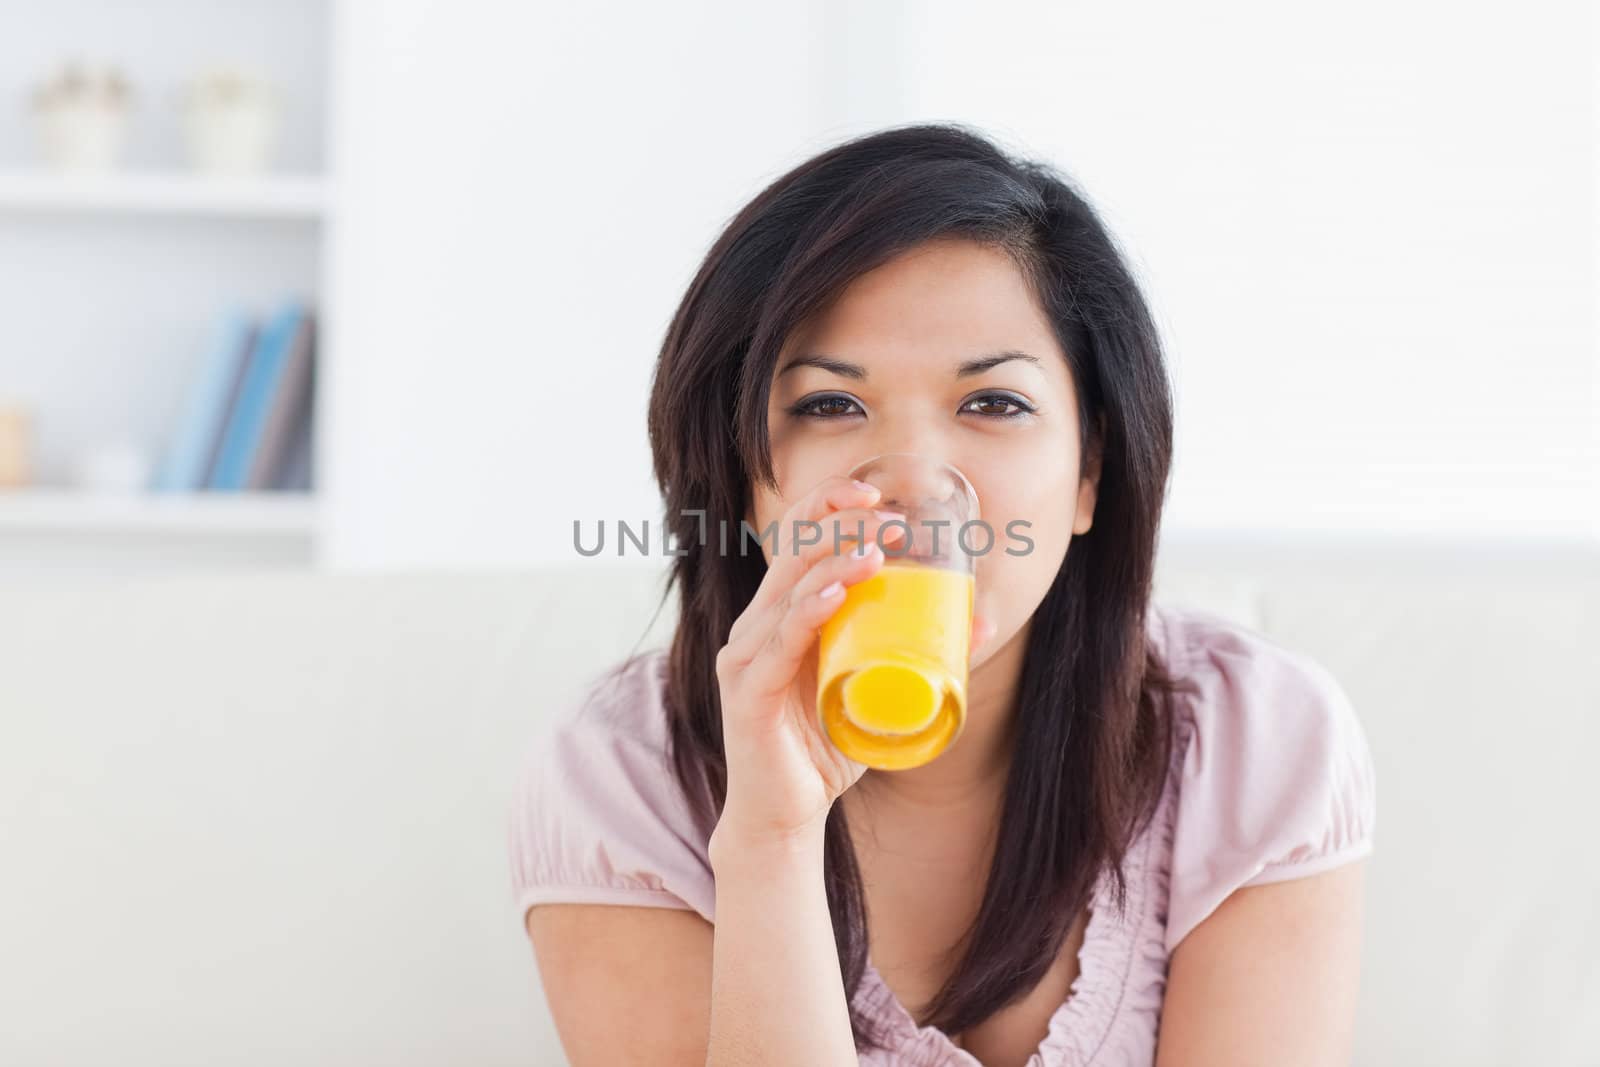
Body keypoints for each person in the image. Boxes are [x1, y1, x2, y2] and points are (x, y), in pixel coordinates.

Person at [507, 123, 1376, 1066]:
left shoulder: (1258, 744)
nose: (914, 485)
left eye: (994, 403)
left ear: (1090, 474)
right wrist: (771, 839)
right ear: (753, 487)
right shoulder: (622, 776)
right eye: (830, 405)